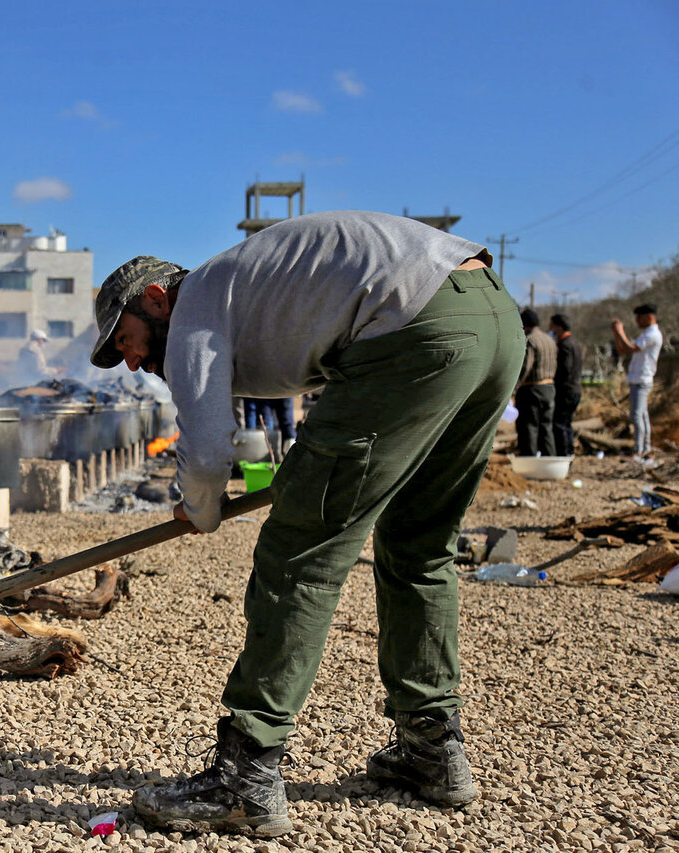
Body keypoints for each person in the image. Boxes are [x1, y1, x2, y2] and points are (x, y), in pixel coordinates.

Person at [90, 211, 523, 837]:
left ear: (156, 299)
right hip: (491, 318)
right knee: (419, 544)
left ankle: (245, 778)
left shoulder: (194, 305)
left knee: (300, 551)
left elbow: (210, 452)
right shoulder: (248, 287)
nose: (128, 362)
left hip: (414, 328)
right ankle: (433, 750)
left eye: (123, 340)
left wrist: (200, 506)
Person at [611, 304, 663, 459]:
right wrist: (616, 334)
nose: (637, 321)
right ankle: (645, 449)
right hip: (637, 379)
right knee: (642, 415)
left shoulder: (653, 334)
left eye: (639, 317)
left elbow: (631, 347)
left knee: (637, 415)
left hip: (642, 379)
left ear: (649, 317)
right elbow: (623, 350)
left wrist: (621, 331)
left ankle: (640, 449)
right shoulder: (646, 334)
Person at [514, 308, 558, 457]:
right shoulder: (550, 340)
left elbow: (526, 367)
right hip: (549, 387)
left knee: (530, 426)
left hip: (532, 389)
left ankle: (529, 457)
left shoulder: (530, 340)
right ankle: (549, 458)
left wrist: (514, 387)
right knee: (546, 426)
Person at [548, 314, 583, 456]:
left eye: (552, 326)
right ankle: (569, 454)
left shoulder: (565, 345)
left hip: (566, 391)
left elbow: (565, 369)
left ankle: (564, 455)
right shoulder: (575, 343)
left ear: (559, 328)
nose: (550, 329)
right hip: (575, 389)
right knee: (566, 424)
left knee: (560, 425)